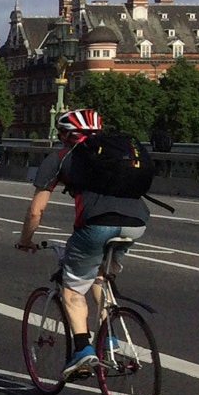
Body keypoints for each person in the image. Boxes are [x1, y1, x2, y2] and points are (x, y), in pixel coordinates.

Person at [16, 109, 149, 378]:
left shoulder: (61, 157)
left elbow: (35, 211)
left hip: (97, 225)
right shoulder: (115, 153)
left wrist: (25, 239)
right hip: (137, 223)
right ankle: (109, 339)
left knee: (73, 289)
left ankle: (82, 350)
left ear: (63, 134)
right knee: (100, 275)